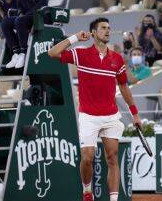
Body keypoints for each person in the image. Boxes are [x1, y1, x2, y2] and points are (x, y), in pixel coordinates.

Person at [48, 17, 142, 201]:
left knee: (113, 157)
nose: (107, 31)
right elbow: (52, 53)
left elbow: (124, 88)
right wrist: (75, 38)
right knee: (87, 158)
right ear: (93, 33)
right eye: (103, 28)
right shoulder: (81, 54)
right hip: (88, 116)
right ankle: (87, 190)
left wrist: (135, 115)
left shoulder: (117, 59)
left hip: (111, 116)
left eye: (108, 28)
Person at [0, 0, 49, 69]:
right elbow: (20, 6)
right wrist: (21, 13)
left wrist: (27, 14)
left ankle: (24, 53)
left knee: (20, 21)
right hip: (26, 17)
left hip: (40, 15)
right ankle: (16, 53)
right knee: (5, 22)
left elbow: (44, 1)